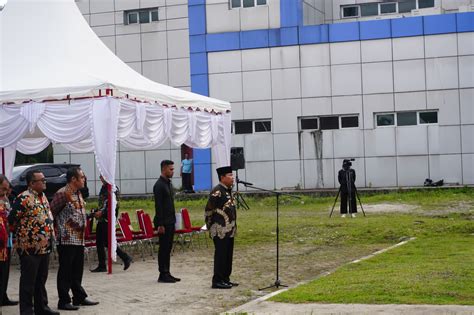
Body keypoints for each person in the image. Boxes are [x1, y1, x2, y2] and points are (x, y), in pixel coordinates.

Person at [9, 170, 59, 315]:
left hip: (44, 246)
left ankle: (41, 307)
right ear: (31, 183)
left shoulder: (42, 196)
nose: (45, 182)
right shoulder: (23, 198)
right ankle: (26, 310)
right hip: (29, 247)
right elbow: (11, 220)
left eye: (44, 180)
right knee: (28, 281)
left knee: (41, 279)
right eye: (41, 180)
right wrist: (25, 236)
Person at [50, 167, 98, 311]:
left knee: (77, 269)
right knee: (66, 270)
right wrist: (56, 230)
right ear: (73, 179)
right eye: (82, 177)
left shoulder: (78, 193)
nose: (84, 179)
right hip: (66, 238)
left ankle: (79, 296)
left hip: (79, 238)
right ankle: (63, 300)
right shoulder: (63, 194)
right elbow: (50, 213)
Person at [90, 175, 132, 272]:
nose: (100, 178)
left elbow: (113, 204)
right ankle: (124, 258)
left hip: (107, 219)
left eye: (102, 176)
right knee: (105, 242)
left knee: (103, 242)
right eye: (100, 176)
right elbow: (102, 203)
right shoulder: (103, 188)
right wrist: (96, 211)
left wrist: (102, 213)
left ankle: (104, 264)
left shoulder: (112, 188)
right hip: (101, 219)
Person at [205, 166, 238, 289]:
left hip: (230, 229)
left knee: (228, 255)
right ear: (222, 177)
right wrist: (210, 227)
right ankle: (217, 280)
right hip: (219, 230)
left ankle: (225, 278)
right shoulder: (217, 191)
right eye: (229, 175)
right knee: (221, 255)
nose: (232, 178)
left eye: (232, 175)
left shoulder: (228, 190)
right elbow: (208, 210)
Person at [153, 160, 180, 283]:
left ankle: (167, 272)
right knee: (163, 248)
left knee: (168, 248)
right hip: (164, 222)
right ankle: (162, 273)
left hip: (170, 221)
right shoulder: (159, 185)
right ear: (164, 169)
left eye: (173, 169)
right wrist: (160, 224)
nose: (173, 171)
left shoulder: (168, 184)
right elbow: (159, 207)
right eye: (171, 169)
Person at [0, 175, 18, 307]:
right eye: (2, 189)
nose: (5, 192)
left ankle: (3, 295)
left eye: (7, 189)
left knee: (5, 271)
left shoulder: (5, 199)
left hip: (7, 240)